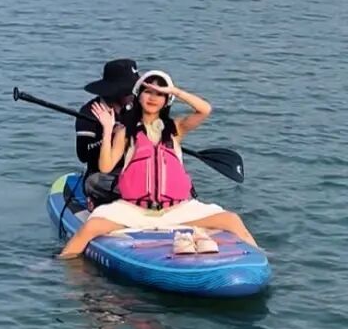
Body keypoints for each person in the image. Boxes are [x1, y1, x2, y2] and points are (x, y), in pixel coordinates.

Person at [60, 70, 258, 259]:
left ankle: (260, 257)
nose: (153, 98)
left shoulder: (175, 129)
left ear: (166, 100)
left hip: (176, 210)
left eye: (160, 93)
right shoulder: (125, 132)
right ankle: (60, 262)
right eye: (148, 92)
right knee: (90, 228)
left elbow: (204, 110)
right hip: (134, 211)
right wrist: (107, 130)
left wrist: (174, 91)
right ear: (138, 96)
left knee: (231, 220)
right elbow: (105, 167)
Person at [74, 58, 141, 207]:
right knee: (93, 182)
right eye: (130, 90)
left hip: (132, 172)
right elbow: (83, 155)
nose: (134, 94)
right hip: (104, 175)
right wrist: (109, 134)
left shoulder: (136, 109)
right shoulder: (89, 113)